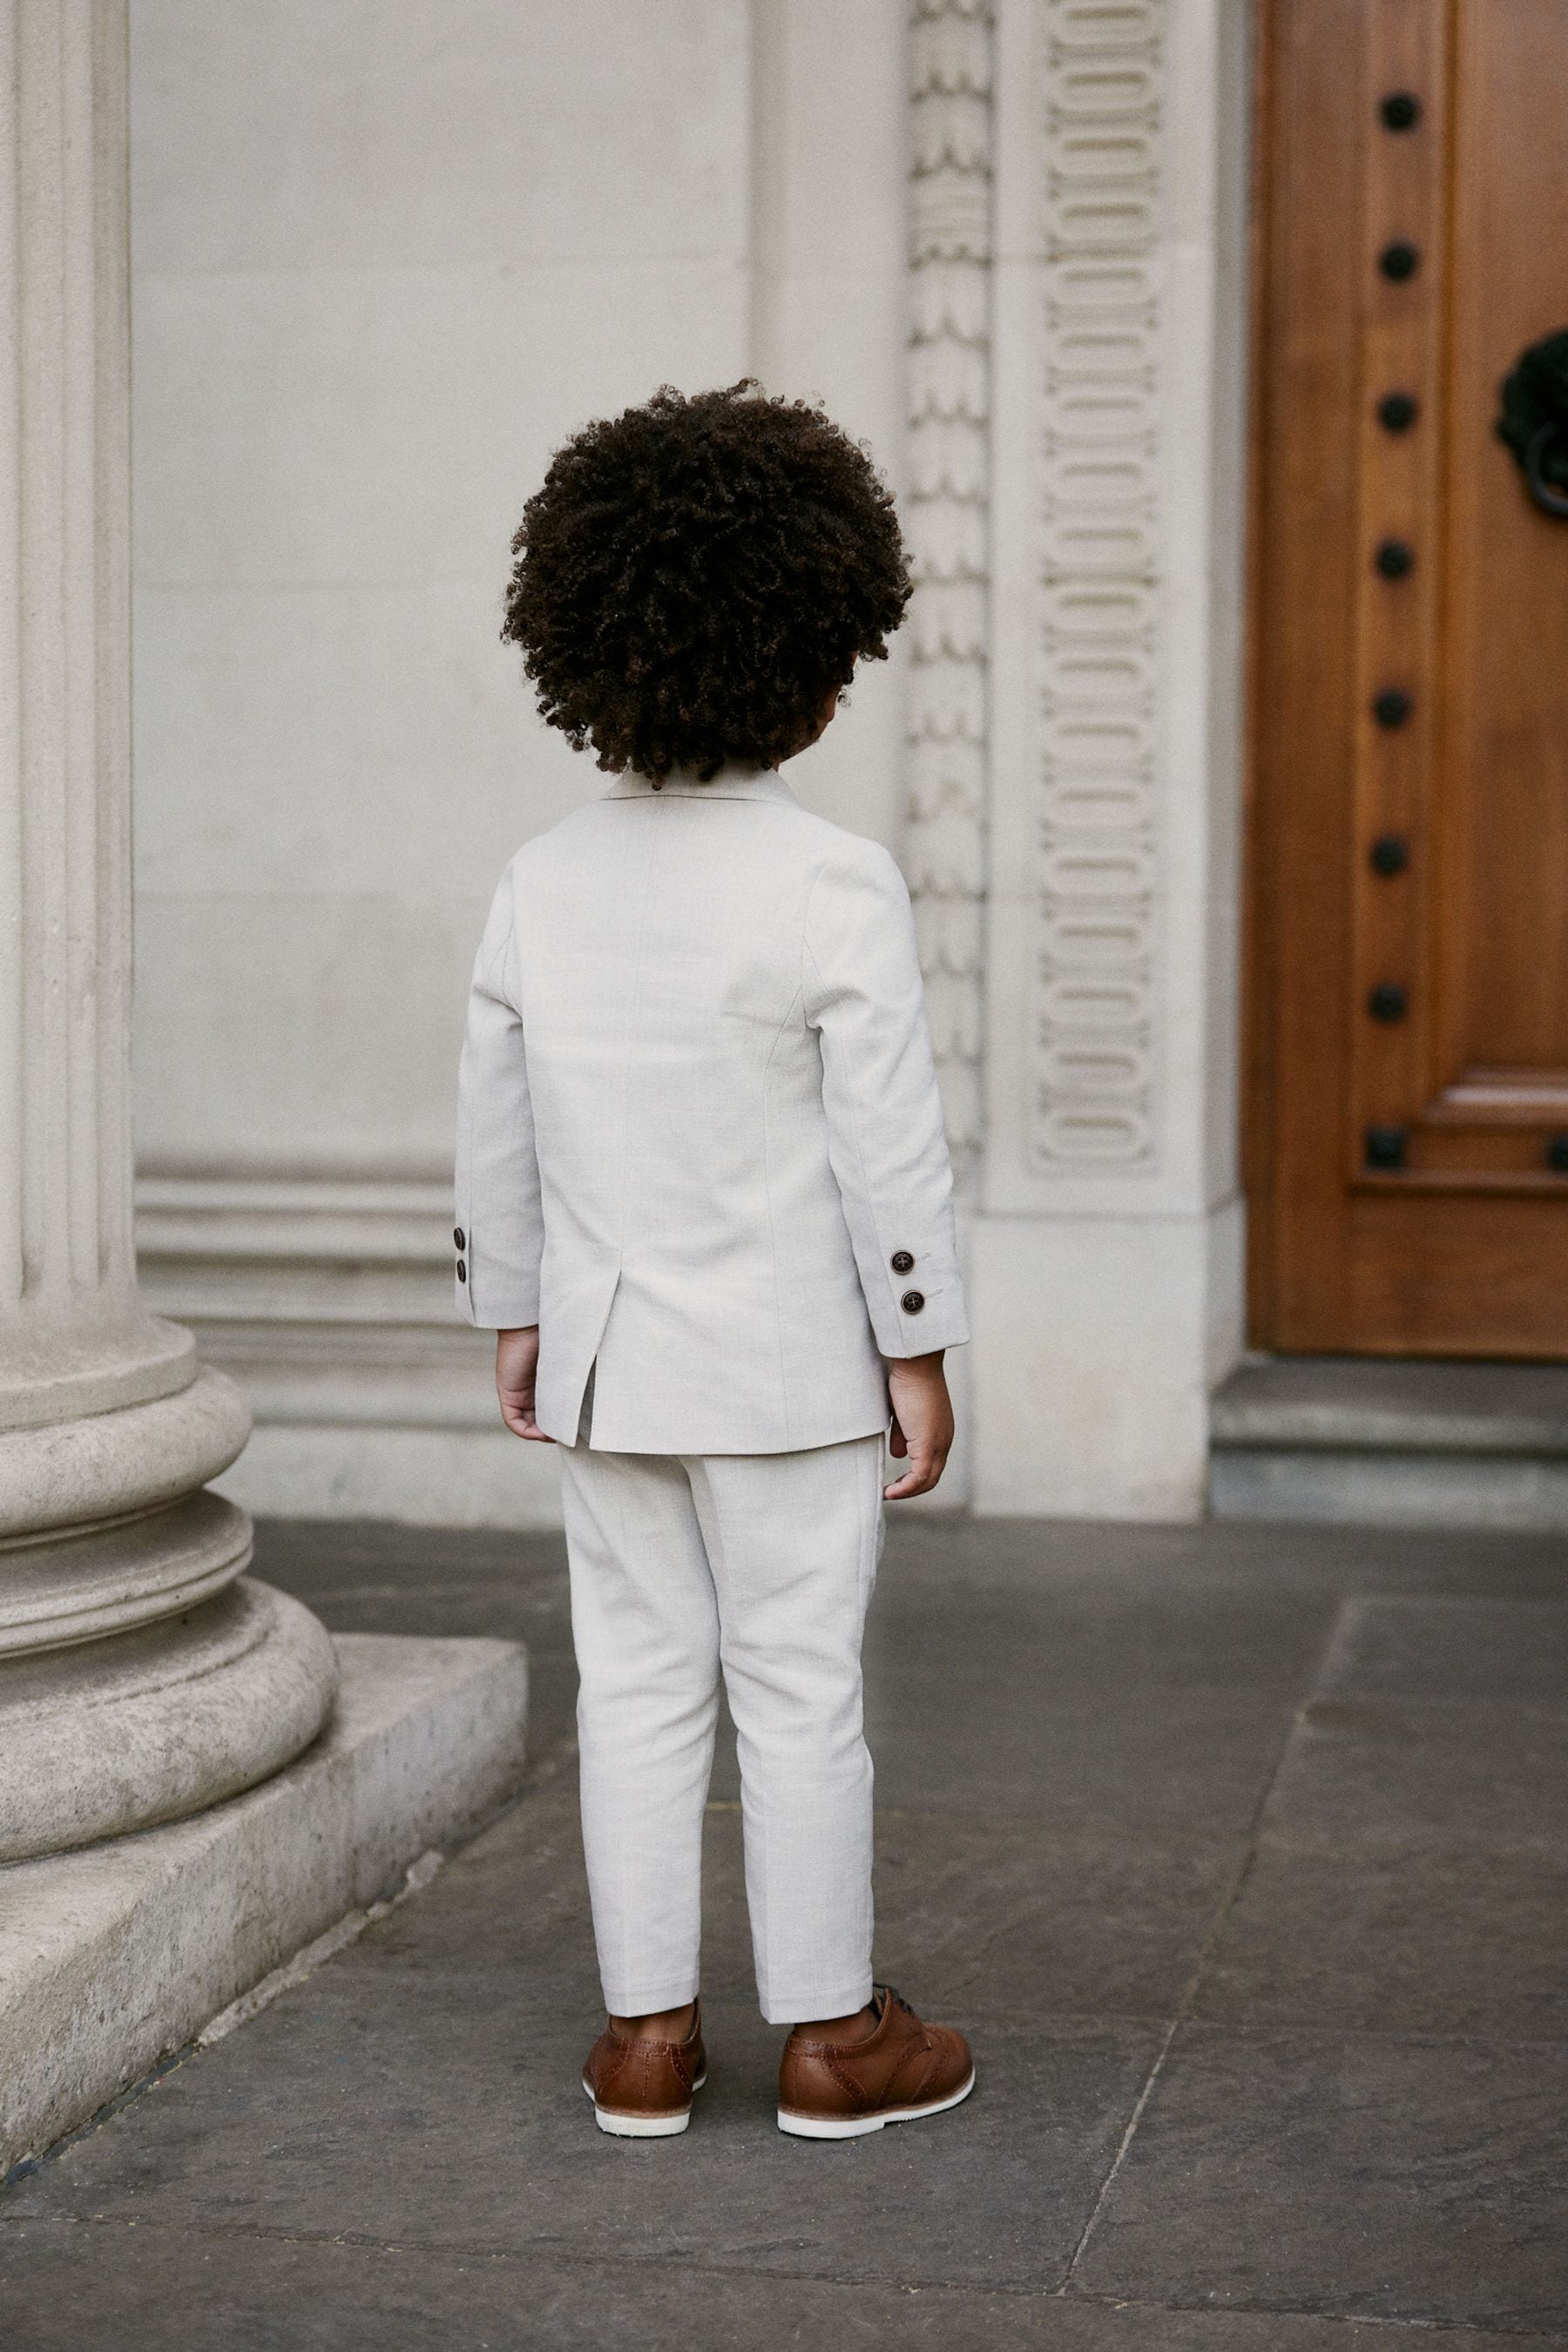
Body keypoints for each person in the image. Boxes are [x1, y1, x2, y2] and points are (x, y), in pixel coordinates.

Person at [455, 382, 974, 2140]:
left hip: (613, 1368)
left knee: (639, 1680)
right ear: (817, 654)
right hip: (789, 1371)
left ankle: (645, 2041)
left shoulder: (540, 875)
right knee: (800, 1688)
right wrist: (918, 1346)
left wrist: (515, 1316)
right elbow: (882, 1143)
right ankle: (833, 2036)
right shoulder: (837, 882)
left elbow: (498, 1125)